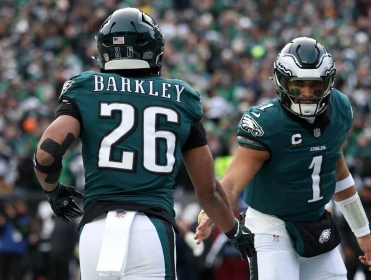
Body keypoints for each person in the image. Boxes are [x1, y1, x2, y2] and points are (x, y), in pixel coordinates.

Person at [33, 7, 254, 280]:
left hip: (96, 231)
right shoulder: (180, 97)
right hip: (152, 229)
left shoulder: (87, 88)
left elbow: (47, 153)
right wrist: (234, 231)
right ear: (155, 50)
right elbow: (208, 192)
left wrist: (53, 192)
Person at [195, 37, 371, 280]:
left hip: (316, 223)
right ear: (281, 82)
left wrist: (362, 232)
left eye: (314, 86)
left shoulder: (340, 109)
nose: (305, 94)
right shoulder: (267, 123)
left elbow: (339, 174)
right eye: (297, 86)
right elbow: (230, 184)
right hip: (271, 226)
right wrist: (210, 212)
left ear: (328, 83)